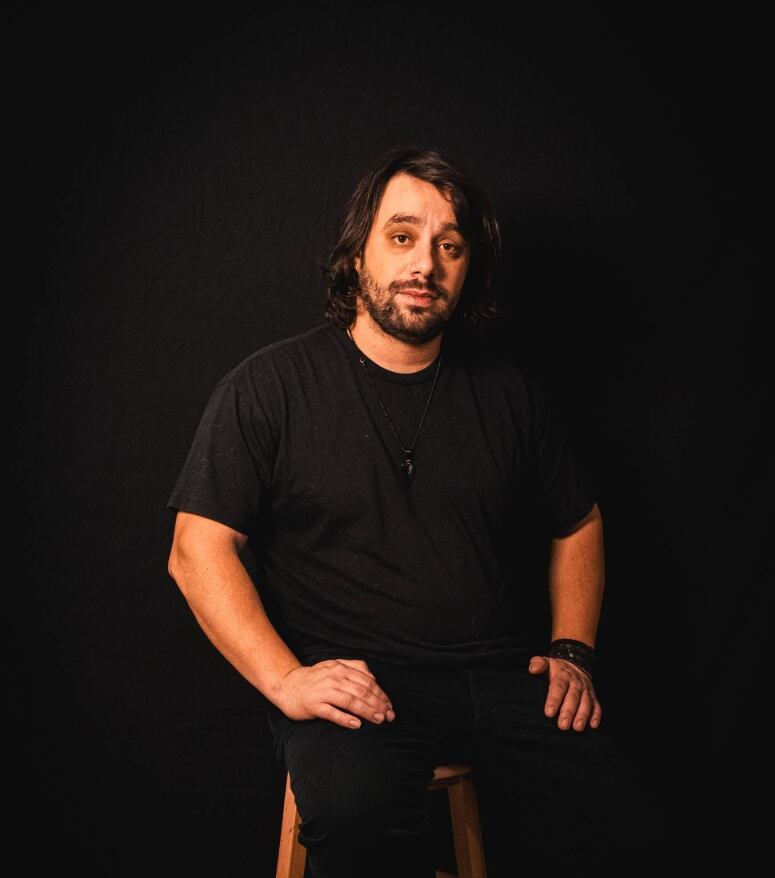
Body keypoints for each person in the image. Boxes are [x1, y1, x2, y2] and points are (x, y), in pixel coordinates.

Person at [167, 145, 626, 875]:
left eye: (450, 246)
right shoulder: (271, 387)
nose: (427, 266)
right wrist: (287, 679)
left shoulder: (510, 396)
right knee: (357, 816)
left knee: (619, 810)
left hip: (498, 676)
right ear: (357, 255)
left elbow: (580, 522)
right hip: (359, 686)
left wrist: (573, 649)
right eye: (403, 237)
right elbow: (196, 548)